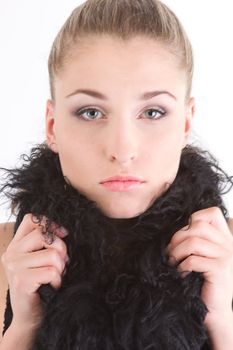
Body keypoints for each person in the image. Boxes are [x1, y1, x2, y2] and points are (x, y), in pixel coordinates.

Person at [0, 0, 233, 349]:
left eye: (152, 112)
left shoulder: (223, 253)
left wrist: (220, 319)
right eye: (91, 112)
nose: (122, 150)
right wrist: (24, 323)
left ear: (185, 123)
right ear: (52, 126)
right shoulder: (10, 253)